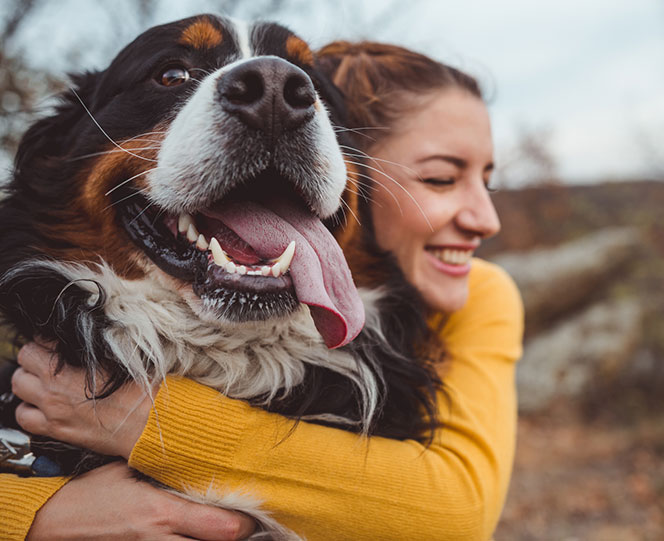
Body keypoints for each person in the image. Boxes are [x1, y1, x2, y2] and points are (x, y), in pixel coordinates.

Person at [1, 41, 523, 541]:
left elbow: (457, 511)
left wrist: (147, 423)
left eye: (488, 181)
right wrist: (33, 513)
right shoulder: (35, 382)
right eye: (439, 179)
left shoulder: (480, 295)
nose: (487, 220)